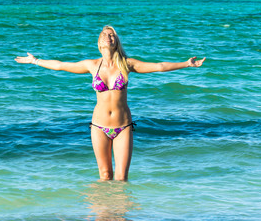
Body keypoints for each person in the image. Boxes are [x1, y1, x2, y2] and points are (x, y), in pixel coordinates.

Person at [15, 25, 205, 181]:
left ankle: (120, 215)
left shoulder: (127, 64)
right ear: (99, 41)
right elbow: (61, 65)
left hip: (123, 126)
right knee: (105, 176)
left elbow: (159, 67)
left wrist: (186, 64)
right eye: (105, 34)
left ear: (116, 41)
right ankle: (103, 213)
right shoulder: (92, 65)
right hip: (98, 126)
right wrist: (35, 61)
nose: (109, 37)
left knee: (121, 179)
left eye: (112, 35)